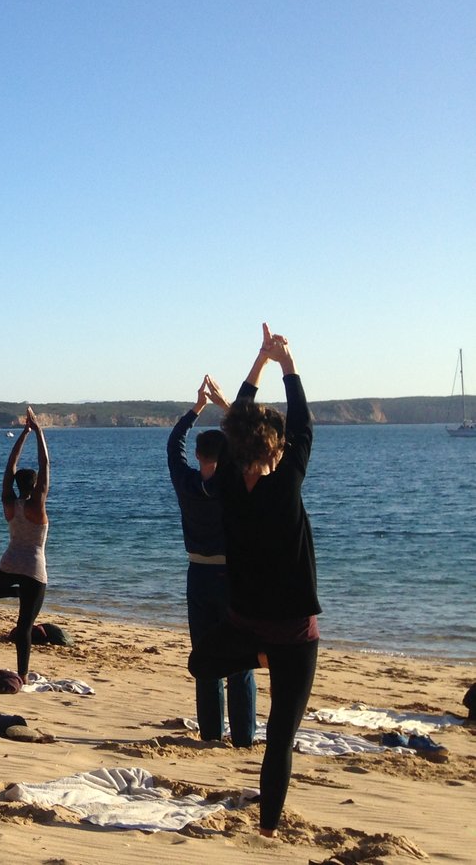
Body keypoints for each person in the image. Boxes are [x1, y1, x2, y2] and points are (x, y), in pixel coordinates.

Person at [189, 325, 317, 837]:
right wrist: (287, 363)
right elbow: (303, 424)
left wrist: (263, 364)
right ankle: (268, 829)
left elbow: (241, 421)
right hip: (292, 636)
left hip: (245, 629)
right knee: (280, 739)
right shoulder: (284, 484)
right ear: (276, 450)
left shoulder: (224, 486)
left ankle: (256, 657)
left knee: (203, 662)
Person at [167, 375, 257, 747]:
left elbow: (174, 444)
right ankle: (244, 737)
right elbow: (250, 442)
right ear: (225, 458)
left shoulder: (185, 483)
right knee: (240, 662)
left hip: (198, 573)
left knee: (206, 657)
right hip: (232, 575)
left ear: (200, 456)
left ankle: (210, 733)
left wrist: (196, 409)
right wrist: (223, 405)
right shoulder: (233, 485)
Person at [0, 408, 50, 680]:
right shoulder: (37, 505)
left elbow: (9, 468)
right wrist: (38, 431)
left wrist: (24, 434)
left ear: (17, 485)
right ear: (36, 485)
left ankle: (16, 593)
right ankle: (23, 675)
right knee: (24, 626)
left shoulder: (9, 503)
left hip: (10, 564)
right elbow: (45, 466)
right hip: (33, 570)